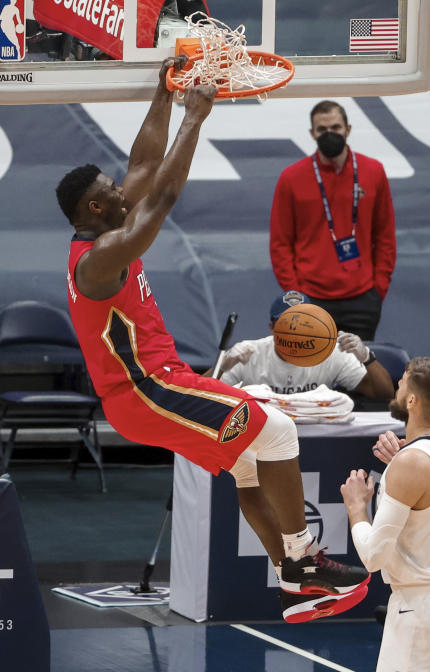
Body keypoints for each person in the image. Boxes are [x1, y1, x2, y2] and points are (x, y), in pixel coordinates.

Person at [57, 63, 368, 624]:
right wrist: (195, 118)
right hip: (148, 390)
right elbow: (165, 193)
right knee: (278, 429)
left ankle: (294, 586)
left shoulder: (104, 228)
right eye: (111, 192)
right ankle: (303, 562)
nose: (123, 190)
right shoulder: (100, 261)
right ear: (95, 209)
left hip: (159, 384)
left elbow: (145, 164)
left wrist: (163, 92)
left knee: (250, 464)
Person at [341, 358, 430, 672]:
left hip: (423, 608)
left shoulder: (411, 463)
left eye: (401, 383)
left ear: (412, 401)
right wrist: (403, 458)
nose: (396, 387)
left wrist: (356, 507)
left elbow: (373, 557)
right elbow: (428, 489)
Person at [269, 100, 396, 341]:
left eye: (335, 128)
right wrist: (296, 295)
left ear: (348, 129)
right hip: (311, 298)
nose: (329, 134)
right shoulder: (291, 178)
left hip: (363, 298)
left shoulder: (373, 171)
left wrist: (378, 289)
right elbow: (280, 243)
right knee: (312, 373)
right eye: (322, 130)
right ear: (312, 133)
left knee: (360, 374)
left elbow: (385, 236)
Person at [218, 290, 395, 401]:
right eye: (286, 323)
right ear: (272, 328)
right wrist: (221, 367)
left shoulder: (330, 351)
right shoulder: (248, 353)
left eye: (303, 322)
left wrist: (366, 357)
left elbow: (384, 393)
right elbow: (198, 396)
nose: (295, 329)